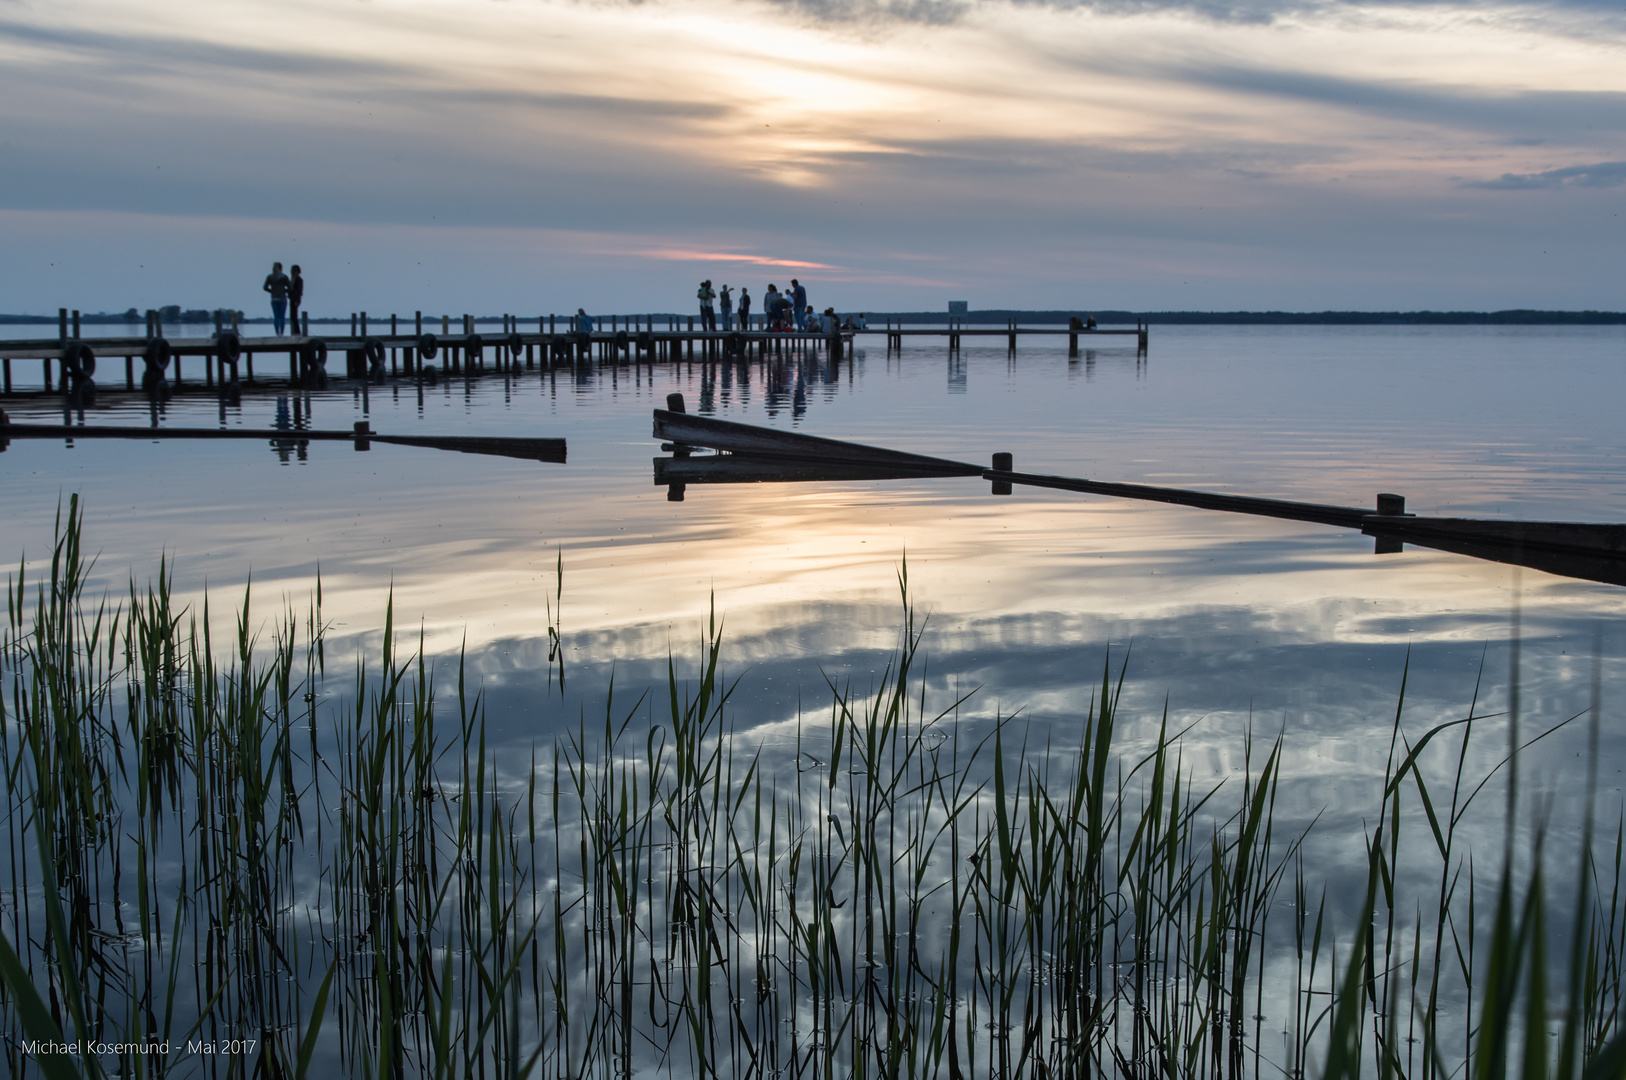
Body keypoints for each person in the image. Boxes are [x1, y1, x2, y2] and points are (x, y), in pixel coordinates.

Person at [263, 261, 291, 335]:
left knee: (276, 317)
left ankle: (277, 333)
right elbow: (290, 288)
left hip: (274, 298)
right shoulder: (284, 277)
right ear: (281, 268)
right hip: (282, 298)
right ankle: (282, 333)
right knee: (282, 317)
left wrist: (272, 291)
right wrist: (284, 290)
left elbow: (265, 287)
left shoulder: (270, 277)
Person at [288, 265, 304, 334]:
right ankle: (296, 331)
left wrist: (297, 300)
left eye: (292, 269)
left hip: (295, 299)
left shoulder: (298, 279)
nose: (291, 271)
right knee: (292, 316)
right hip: (292, 298)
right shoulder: (293, 279)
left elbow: (299, 291)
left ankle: (297, 331)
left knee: (294, 316)